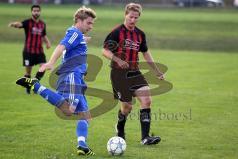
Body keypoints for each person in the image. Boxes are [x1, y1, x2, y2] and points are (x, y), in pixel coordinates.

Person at [16, 6, 96, 156]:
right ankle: (35, 86)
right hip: (72, 74)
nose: (91, 26)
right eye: (89, 23)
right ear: (79, 20)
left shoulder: (76, 34)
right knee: (69, 110)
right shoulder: (74, 33)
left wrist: (83, 40)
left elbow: (70, 45)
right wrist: (51, 62)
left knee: (85, 116)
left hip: (78, 77)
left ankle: (82, 145)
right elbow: (61, 46)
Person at [102, 3, 164, 145]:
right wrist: (117, 59)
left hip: (135, 72)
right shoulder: (117, 32)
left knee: (147, 100)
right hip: (119, 74)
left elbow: (146, 54)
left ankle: (145, 137)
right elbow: (105, 51)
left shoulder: (140, 34)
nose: (133, 20)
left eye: (136, 18)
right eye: (131, 17)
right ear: (125, 15)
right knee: (127, 107)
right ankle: (120, 128)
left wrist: (156, 71)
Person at [8, 4, 51, 94]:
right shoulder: (28, 22)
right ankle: (28, 87)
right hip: (28, 51)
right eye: (34, 11)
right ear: (32, 12)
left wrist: (47, 42)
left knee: (44, 66)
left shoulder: (42, 24)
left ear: (40, 12)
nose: (36, 12)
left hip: (39, 51)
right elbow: (20, 24)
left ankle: (34, 83)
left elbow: (43, 35)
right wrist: (14, 24)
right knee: (28, 71)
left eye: (37, 11)